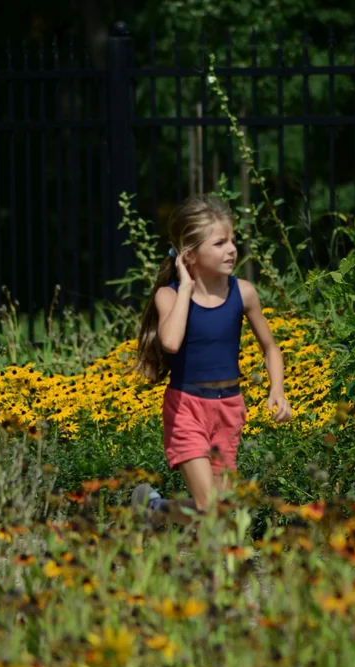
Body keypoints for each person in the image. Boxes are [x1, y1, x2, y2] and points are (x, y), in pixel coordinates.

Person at [131, 194, 292, 524]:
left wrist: (278, 390)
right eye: (220, 243)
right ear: (189, 254)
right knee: (211, 510)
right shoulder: (170, 296)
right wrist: (187, 287)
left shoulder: (244, 292)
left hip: (228, 410)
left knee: (219, 513)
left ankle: (155, 510)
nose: (232, 249)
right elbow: (172, 342)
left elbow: (270, 348)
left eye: (232, 240)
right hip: (186, 407)